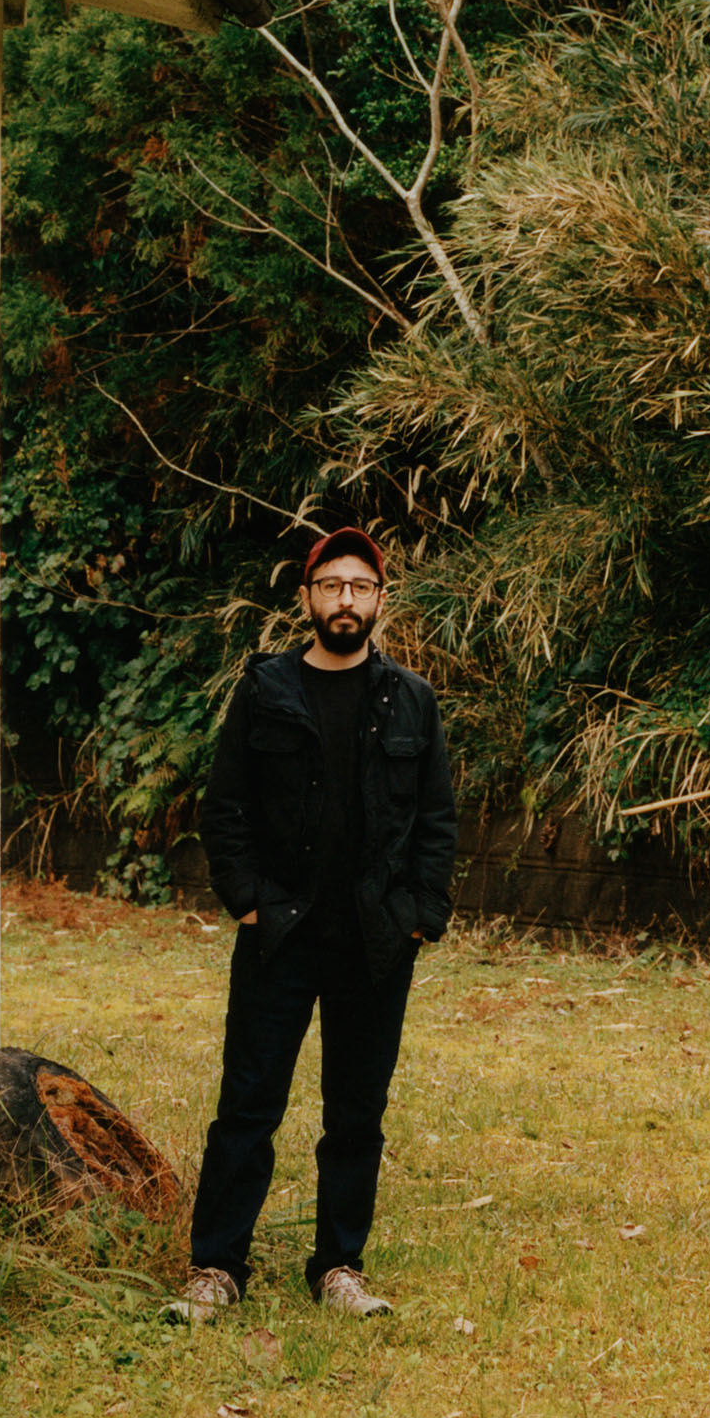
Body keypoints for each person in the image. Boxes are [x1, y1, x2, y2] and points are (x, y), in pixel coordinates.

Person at [180, 528, 457, 1318]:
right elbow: (223, 807)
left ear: (378, 599)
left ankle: (339, 1268)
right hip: (281, 935)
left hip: (374, 941)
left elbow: (437, 821)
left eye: (359, 586)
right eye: (330, 585)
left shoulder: (410, 699)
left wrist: (419, 917)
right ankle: (216, 1269)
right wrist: (246, 899)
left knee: (355, 1114)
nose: (345, 599)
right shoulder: (265, 689)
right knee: (247, 1106)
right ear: (305, 598)